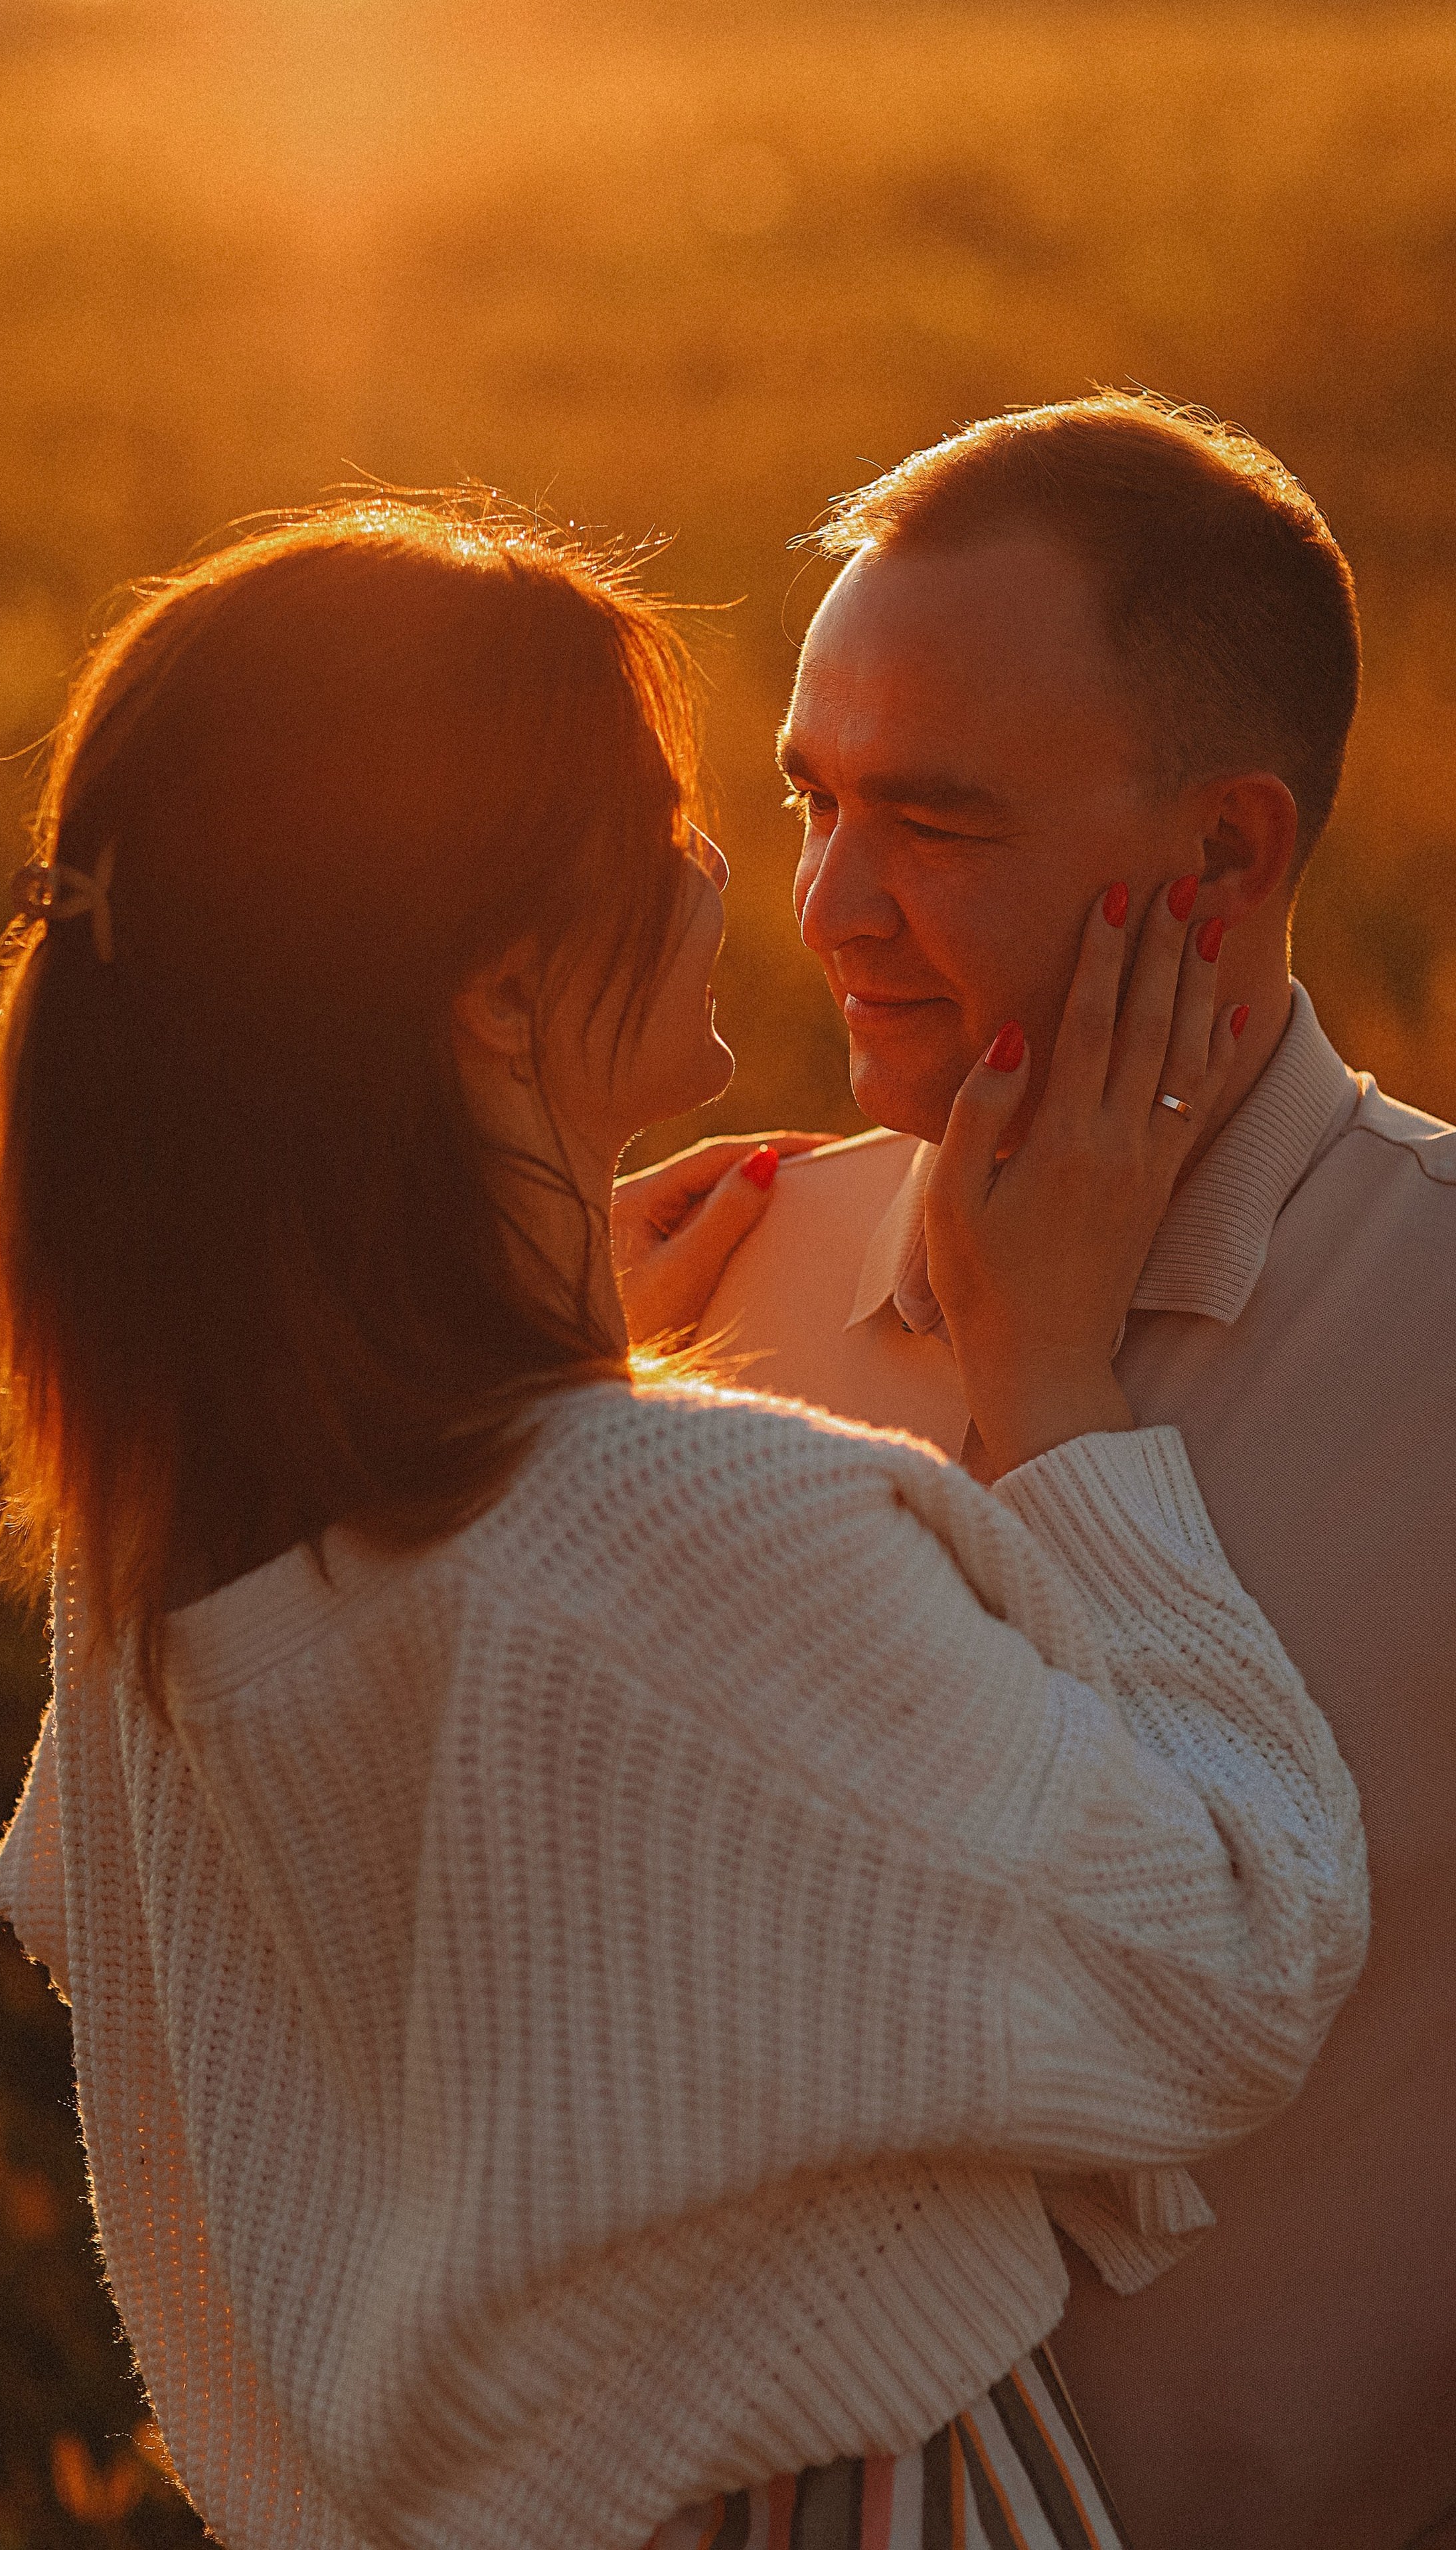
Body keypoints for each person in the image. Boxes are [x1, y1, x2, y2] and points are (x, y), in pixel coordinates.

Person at [0, 499, 1366, 2550]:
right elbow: (1237, 1959)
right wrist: (1057, 1393)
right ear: (503, 997)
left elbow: (102, 1889)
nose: (757, 884)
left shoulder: (163, 1542)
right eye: (677, 822)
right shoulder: (671, 1546)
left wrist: (521, 1372)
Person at [647, 394, 1456, 2550]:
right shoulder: (705, 1286)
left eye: (935, 820)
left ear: (1226, 858)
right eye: (811, 798)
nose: (825, 906)